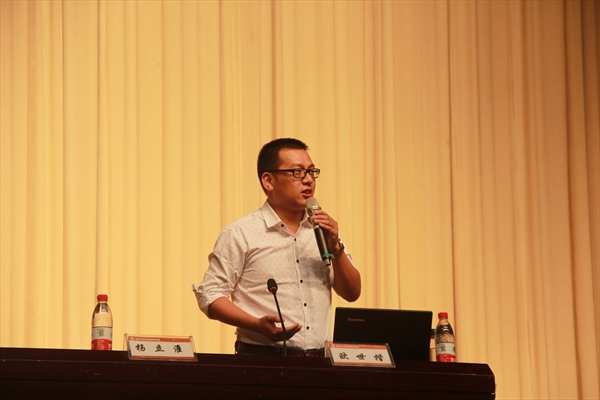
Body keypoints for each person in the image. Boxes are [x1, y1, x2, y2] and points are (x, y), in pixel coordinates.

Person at [194, 138, 361, 356]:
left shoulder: (322, 230)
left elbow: (352, 293)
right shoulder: (241, 233)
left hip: (318, 360)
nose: (308, 180)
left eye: (311, 172)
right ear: (268, 181)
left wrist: (336, 247)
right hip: (261, 358)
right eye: (297, 172)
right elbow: (210, 293)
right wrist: (255, 324)